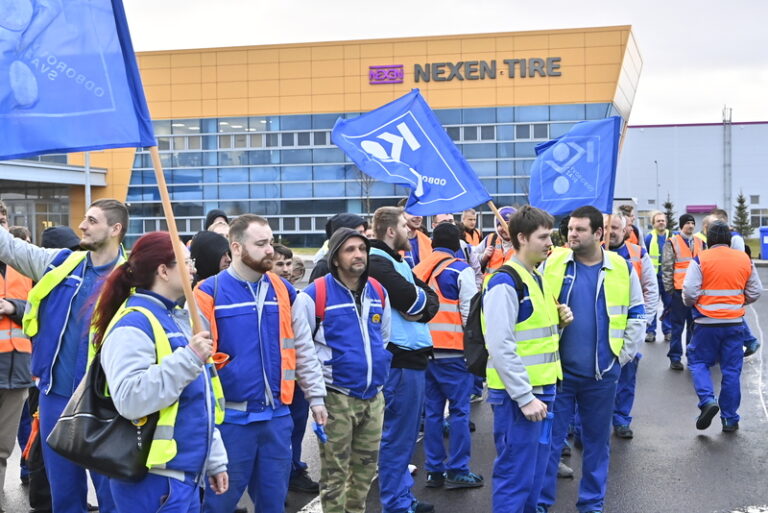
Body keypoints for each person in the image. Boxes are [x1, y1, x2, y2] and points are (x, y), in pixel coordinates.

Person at [0, 198, 129, 513]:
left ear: (115, 229)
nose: (82, 225)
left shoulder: (133, 279)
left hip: (103, 400)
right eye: (84, 218)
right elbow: (9, 247)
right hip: (55, 394)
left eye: (92, 220)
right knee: (64, 493)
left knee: (112, 493)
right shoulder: (61, 262)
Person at [195, 214, 327, 513]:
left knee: (273, 504)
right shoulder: (207, 292)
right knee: (217, 505)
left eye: (270, 242)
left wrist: (316, 396)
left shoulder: (283, 291)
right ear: (237, 248)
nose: (270, 250)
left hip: (277, 419)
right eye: (261, 243)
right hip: (229, 422)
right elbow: (198, 365)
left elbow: (302, 347)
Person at [92, 231, 229, 512]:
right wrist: (190, 358)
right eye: (187, 262)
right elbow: (131, 399)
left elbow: (199, 400)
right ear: (163, 271)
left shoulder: (177, 318)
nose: (195, 269)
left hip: (184, 476)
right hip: (152, 482)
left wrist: (213, 459)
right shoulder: (134, 324)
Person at [538, 206, 645, 513]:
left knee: (598, 445)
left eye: (580, 229)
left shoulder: (620, 268)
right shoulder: (554, 261)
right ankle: (542, 504)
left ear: (598, 233)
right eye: (570, 228)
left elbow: (637, 314)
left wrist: (619, 357)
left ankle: (591, 504)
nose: (572, 234)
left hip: (602, 374)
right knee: (549, 444)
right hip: (558, 374)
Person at [483, 206, 572, 513]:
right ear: (521, 238)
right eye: (544, 237)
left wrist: (559, 322)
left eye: (551, 235)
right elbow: (500, 344)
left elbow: (533, 336)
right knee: (515, 476)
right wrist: (524, 397)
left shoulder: (535, 277)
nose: (551, 243)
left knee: (535, 477)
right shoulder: (504, 282)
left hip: (543, 391)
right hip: (520, 398)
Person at [296, 227, 392, 513]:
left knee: (365, 473)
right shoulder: (315, 295)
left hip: (373, 397)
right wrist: (316, 397)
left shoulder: (378, 291)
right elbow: (304, 350)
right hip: (336, 398)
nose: (358, 255)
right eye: (350, 250)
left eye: (362, 249)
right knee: (335, 477)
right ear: (336, 258)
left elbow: (382, 337)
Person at [368, 206, 439, 513]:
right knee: (397, 438)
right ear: (390, 231)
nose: (412, 230)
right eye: (405, 225)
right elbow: (412, 299)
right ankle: (395, 504)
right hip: (399, 361)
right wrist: (421, 303)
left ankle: (402, 497)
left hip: (411, 359)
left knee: (405, 436)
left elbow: (429, 298)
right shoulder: (377, 263)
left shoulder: (396, 261)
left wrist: (422, 304)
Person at [413, 223, 483, 490]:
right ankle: (457, 469)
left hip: (424, 352)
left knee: (432, 413)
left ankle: (434, 471)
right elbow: (470, 314)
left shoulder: (417, 269)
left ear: (432, 243)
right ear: (458, 245)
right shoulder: (460, 269)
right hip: (453, 353)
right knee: (459, 412)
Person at [682, 221, 762, 432]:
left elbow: (689, 292)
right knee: (731, 371)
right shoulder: (743, 259)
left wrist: (695, 303)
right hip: (734, 324)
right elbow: (755, 291)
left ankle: (708, 400)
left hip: (706, 323)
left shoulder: (700, 259)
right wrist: (736, 302)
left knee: (698, 361)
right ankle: (730, 419)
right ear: (728, 239)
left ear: (709, 240)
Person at [608, 213, 659, 439]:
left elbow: (651, 289)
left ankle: (621, 419)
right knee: (588, 382)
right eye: (606, 228)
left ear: (625, 231)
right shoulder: (591, 253)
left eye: (615, 228)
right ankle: (579, 425)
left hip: (628, 329)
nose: (610, 232)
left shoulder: (638, 254)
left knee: (626, 378)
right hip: (599, 330)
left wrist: (643, 322)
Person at [0, 202, 33, 510]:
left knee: (2, 447)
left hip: (18, 370)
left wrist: (14, 307)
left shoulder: (23, 266)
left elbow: (39, 308)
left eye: (3, 220)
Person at [662, 214, 705, 370]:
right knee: (677, 326)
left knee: (694, 326)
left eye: (692, 223)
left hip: (695, 291)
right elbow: (667, 267)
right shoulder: (672, 243)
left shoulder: (701, 242)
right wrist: (669, 290)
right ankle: (675, 357)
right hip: (679, 291)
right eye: (687, 223)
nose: (691, 226)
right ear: (681, 225)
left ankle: (692, 356)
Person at [309, 213, 367, 282]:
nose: (365, 237)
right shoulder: (323, 267)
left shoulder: (364, 262)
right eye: (360, 232)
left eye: (364, 232)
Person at [643, 211, 671, 343]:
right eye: (658, 220)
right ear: (653, 224)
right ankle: (650, 331)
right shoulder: (649, 238)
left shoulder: (672, 237)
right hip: (653, 278)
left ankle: (668, 330)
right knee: (651, 305)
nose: (661, 222)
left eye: (663, 220)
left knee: (669, 305)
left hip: (668, 277)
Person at [474, 207, 516, 275]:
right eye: (502, 224)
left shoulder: (523, 243)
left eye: (509, 224)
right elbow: (472, 259)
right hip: (489, 284)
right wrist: (483, 257)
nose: (505, 228)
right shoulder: (490, 239)